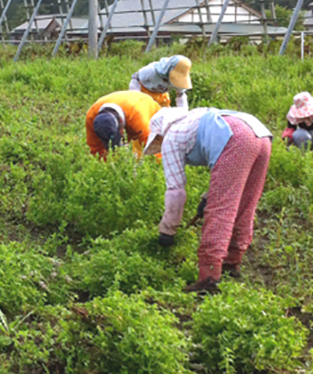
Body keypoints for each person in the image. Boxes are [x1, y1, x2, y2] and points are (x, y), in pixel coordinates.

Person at [143, 107, 272, 294]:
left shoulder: (170, 138)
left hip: (236, 137)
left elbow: (175, 191)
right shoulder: (193, 118)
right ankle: (231, 263)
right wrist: (207, 196)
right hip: (261, 134)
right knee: (247, 203)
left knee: (221, 209)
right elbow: (223, 169)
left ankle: (209, 277)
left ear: (159, 133)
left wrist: (167, 230)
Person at [85, 91, 162, 158]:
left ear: (121, 126)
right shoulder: (91, 117)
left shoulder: (139, 119)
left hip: (148, 112)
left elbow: (155, 151)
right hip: (127, 110)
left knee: (144, 154)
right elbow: (96, 150)